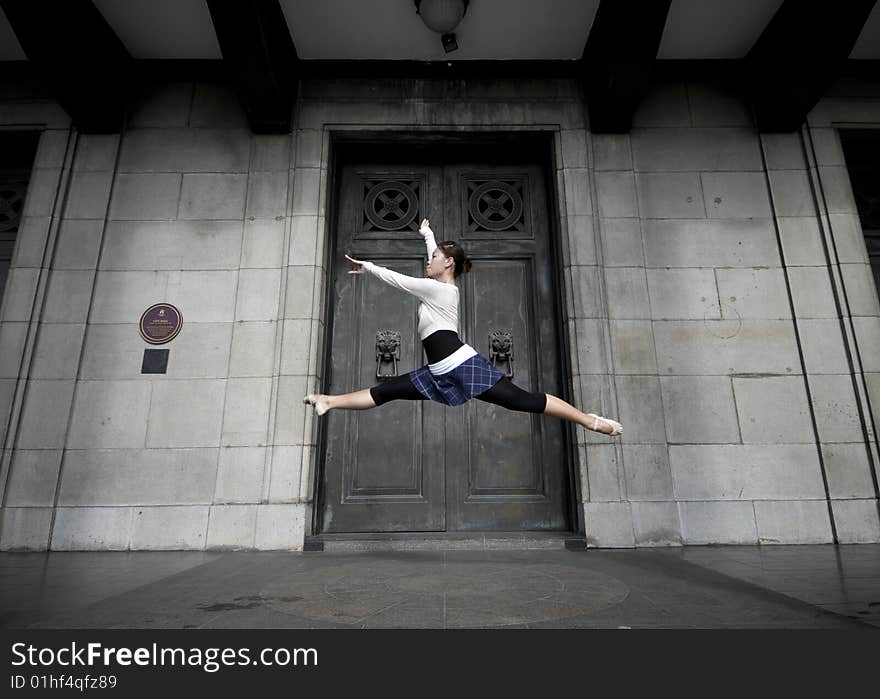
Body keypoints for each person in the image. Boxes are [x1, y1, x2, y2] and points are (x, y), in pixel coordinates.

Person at [304, 218, 623, 436]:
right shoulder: (440, 280)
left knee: (523, 401)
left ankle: (589, 421)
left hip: (462, 365)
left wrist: (369, 266)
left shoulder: (441, 290)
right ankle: (328, 401)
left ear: (449, 263)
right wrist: (428, 237)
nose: (428, 261)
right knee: (386, 391)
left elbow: (400, 281)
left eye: (435, 257)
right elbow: (433, 259)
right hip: (439, 370)